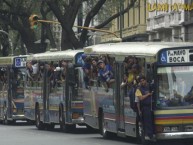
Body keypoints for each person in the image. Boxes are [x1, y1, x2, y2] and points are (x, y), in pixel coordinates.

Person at [135, 75, 155, 140]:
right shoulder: (138, 89)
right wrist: (148, 94)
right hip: (145, 107)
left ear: (145, 80)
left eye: (143, 80)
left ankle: (154, 133)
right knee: (147, 121)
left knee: (153, 120)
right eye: (141, 81)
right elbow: (140, 98)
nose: (142, 82)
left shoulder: (150, 86)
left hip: (153, 106)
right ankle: (149, 135)